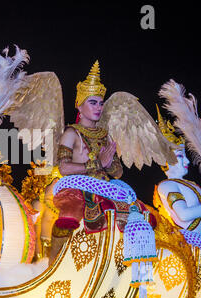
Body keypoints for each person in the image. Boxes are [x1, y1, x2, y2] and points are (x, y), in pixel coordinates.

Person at [50, 61, 153, 262]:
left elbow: (117, 172)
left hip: (105, 187)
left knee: (138, 213)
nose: (99, 107)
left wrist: (110, 163)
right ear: (79, 104)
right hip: (78, 188)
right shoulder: (71, 133)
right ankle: (54, 263)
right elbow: (63, 168)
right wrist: (98, 164)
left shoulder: (105, 136)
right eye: (93, 102)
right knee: (68, 219)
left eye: (101, 103)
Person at [154, 106, 201, 298]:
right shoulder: (166, 186)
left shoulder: (192, 185)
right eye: (181, 157)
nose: (187, 162)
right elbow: (182, 215)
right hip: (185, 249)